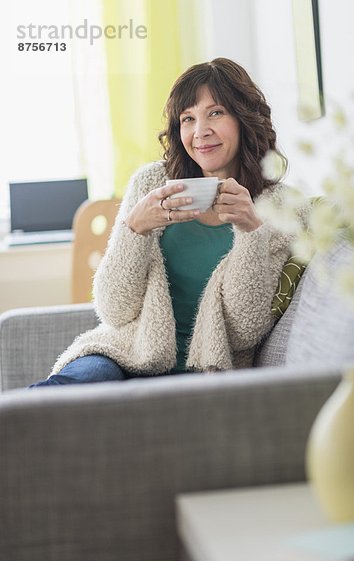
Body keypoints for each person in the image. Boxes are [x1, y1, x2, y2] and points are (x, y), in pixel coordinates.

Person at [31, 57, 293, 387]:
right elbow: (114, 311)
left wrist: (251, 231)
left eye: (215, 113)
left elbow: (245, 329)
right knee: (64, 391)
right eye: (188, 118)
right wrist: (134, 229)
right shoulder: (150, 183)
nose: (200, 132)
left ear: (244, 118)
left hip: (209, 372)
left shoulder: (279, 208)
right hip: (123, 354)